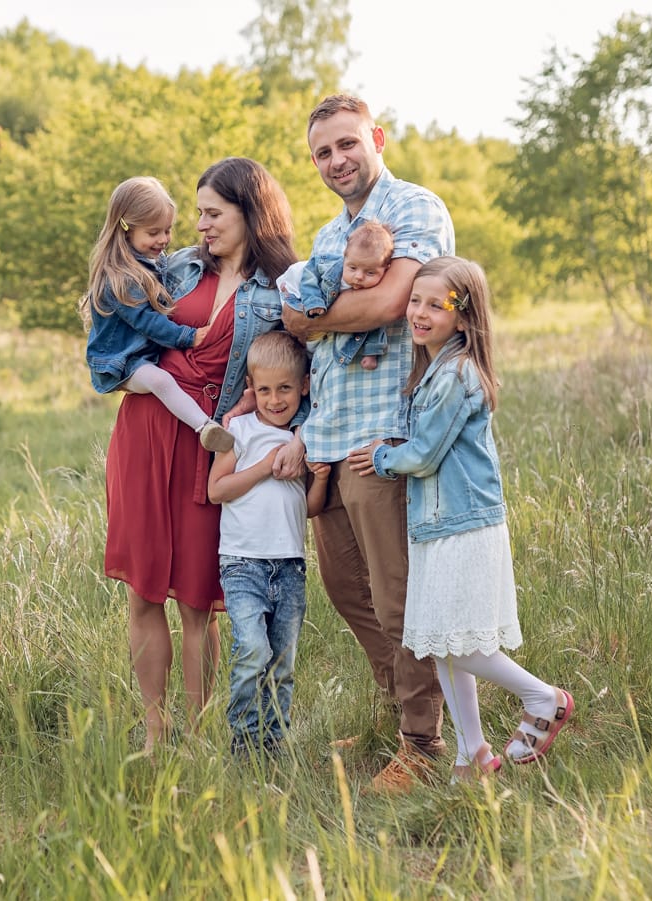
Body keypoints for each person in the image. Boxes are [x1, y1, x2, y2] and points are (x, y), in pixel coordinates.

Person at [281, 93, 454, 793]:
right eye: (322, 152)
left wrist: (319, 316)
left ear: (375, 138)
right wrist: (313, 319)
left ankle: (424, 742)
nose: (336, 161)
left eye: (347, 144)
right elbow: (292, 320)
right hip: (326, 433)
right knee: (346, 588)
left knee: (396, 594)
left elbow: (390, 304)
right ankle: (396, 708)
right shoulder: (328, 236)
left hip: (385, 432)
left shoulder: (415, 207)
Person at [346, 257, 573, 781]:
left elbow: (424, 456)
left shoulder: (455, 374)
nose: (419, 313)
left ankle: (544, 699)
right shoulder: (434, 370)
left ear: (464, 317)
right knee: (442, 641)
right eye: (415, 301)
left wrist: (381, 456)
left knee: (462, 644)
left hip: (463, 522)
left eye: (436, 304)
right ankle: (471, 754)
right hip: (435, 522)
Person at [104, 157, 300, 754]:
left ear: (249, 213)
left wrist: (302, 435)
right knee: (143, 591)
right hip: (145, 435)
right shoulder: (176, 268)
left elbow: (308, 369)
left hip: (212, 446)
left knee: (197, 598)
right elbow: (111, 317)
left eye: (213, 213)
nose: (201, 226)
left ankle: (199, 734)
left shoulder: (286, 286)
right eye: (198, 213)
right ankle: (156, 733)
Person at [207, 331, 331, 759]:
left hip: (290, 565)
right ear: (251, 389)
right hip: (243, 563)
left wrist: (323, 476)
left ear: (303, 386)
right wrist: (262, 467)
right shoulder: (239, 429)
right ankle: (243, 740)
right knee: (252, 650)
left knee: (282, 661)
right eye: (263, 390)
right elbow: (216, 490)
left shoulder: (305, 437)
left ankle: (273, 744)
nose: (274, 399)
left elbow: (310, 508)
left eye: (284, 389)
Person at [83, 176, 236, 453]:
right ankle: (205, 427)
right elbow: (148, 321)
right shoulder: (118, 277)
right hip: (123, 361)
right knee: (160, 380)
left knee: (162, 378)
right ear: (125, 228)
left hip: (143, 355)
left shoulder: (152, 262)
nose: (163, 240)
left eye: (167, 231)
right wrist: (186, 337)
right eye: (153, 233)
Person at [278, 219, 394, 370]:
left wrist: (371, 352)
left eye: (370, 272)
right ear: (345, 257)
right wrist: (313, 301)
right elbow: (309, 276)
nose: (359, 276)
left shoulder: (378, 288)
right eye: (352, 268)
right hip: (295, 290)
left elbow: (375, 322)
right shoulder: (329, 267)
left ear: (386, 268)